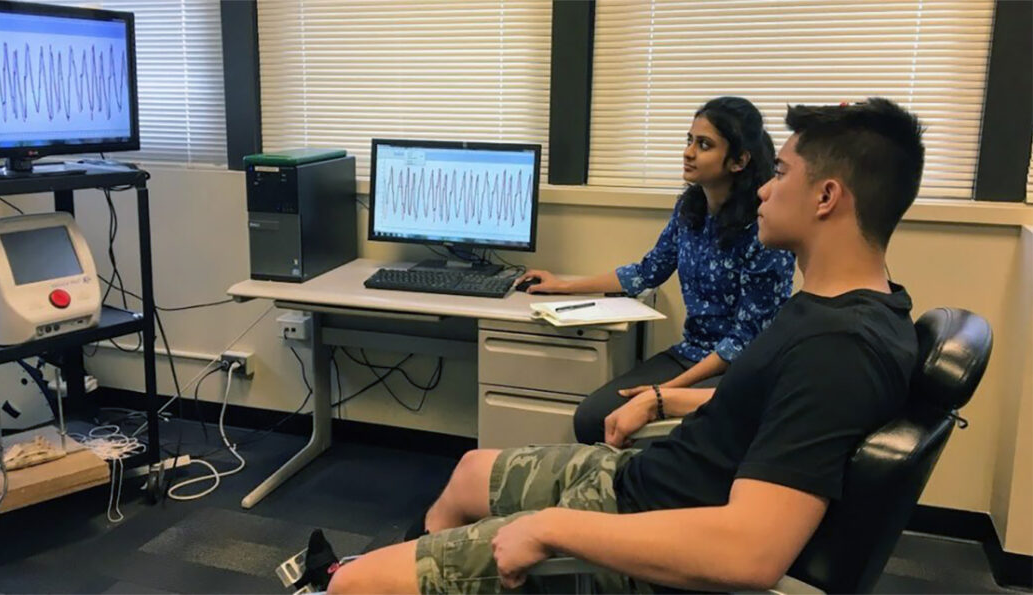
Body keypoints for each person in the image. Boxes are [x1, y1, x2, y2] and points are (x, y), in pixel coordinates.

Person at [327, 97, 924, 594]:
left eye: (782, 173)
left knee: (352, 585)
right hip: (641, 479)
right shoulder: (840, 309)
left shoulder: (838, 350)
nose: (766, 189)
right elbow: (764, 404)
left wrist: (551, 529)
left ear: (826, 198)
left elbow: (752, 553)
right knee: (467, 473)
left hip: (644, 528)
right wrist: (662, 402)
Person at [514, 97, 796, 444]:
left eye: (704, 145)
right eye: (689, 140)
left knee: (672, 433)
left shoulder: (763, 228)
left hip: (741, 370)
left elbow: (745, 339)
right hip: (691, 353)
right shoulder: (689, 209)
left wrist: (663, 392)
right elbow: (647, 271)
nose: (689, 152)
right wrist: (561, 286)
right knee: (591, 417)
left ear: (739, 161)